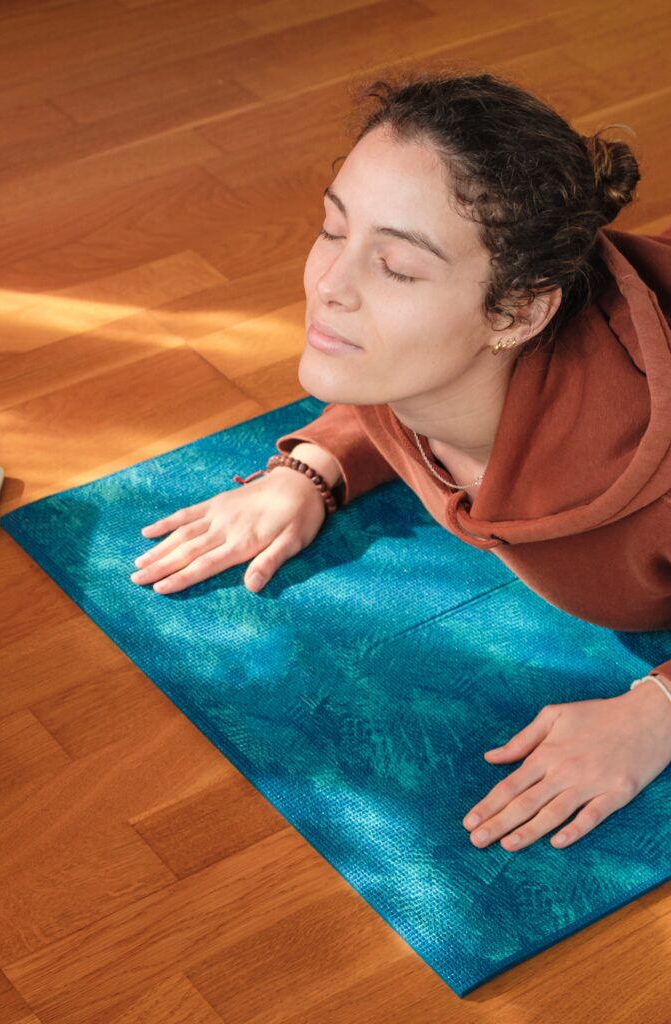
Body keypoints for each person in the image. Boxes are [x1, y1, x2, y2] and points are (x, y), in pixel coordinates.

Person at [129, 71, 671, 856]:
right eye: (331, 228)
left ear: (519, 312)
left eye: (399, 268)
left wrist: (657, 712)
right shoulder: (411, 361)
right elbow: (388, 397)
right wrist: (313, 466)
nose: (330, 288)